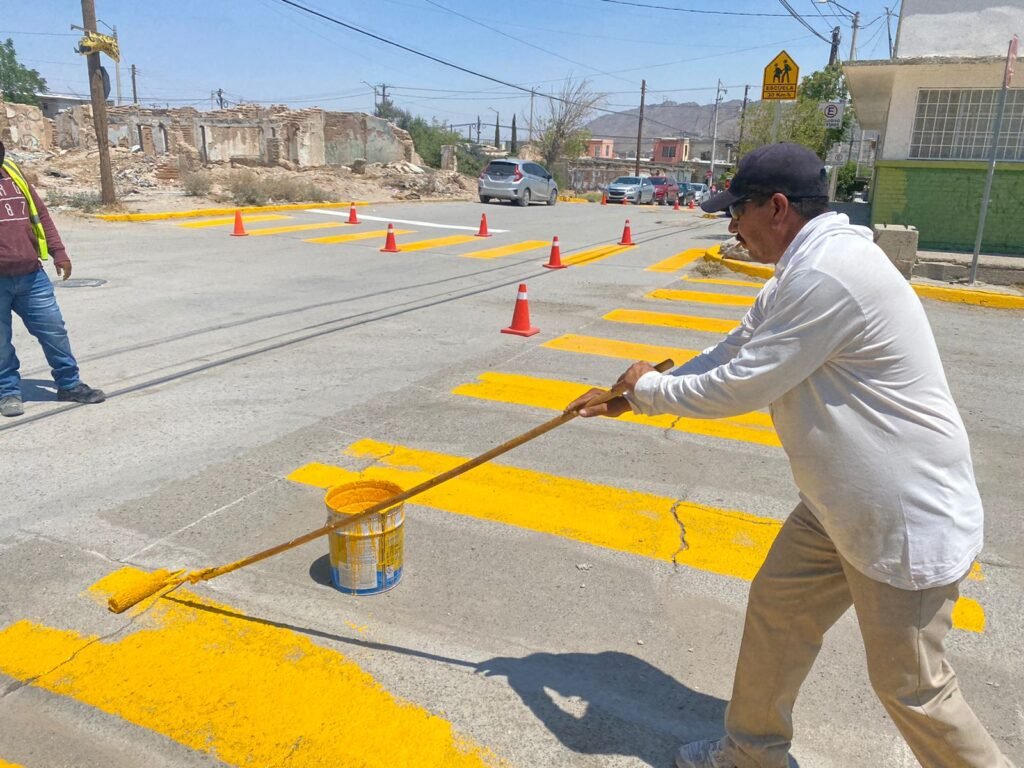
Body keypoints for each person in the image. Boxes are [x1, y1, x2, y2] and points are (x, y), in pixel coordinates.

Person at [568, 143, 1014, 768]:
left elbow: (741, 384)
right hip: (836, 507)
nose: (732, 226)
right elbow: (735, 347)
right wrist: (634, 396)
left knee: (915, 690)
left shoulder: (829, 275)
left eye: (738, 211)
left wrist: (649, 388)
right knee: (777, 616)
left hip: (899, 518)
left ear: (777, 208)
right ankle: (752, 756)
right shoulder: (804, 269)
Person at [0, 140, 104, 417]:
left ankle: (69, 384)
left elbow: (40, 214)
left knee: (54, 330)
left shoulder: (12, 172)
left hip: (32, 276)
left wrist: (59, 252)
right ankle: (8, 391)